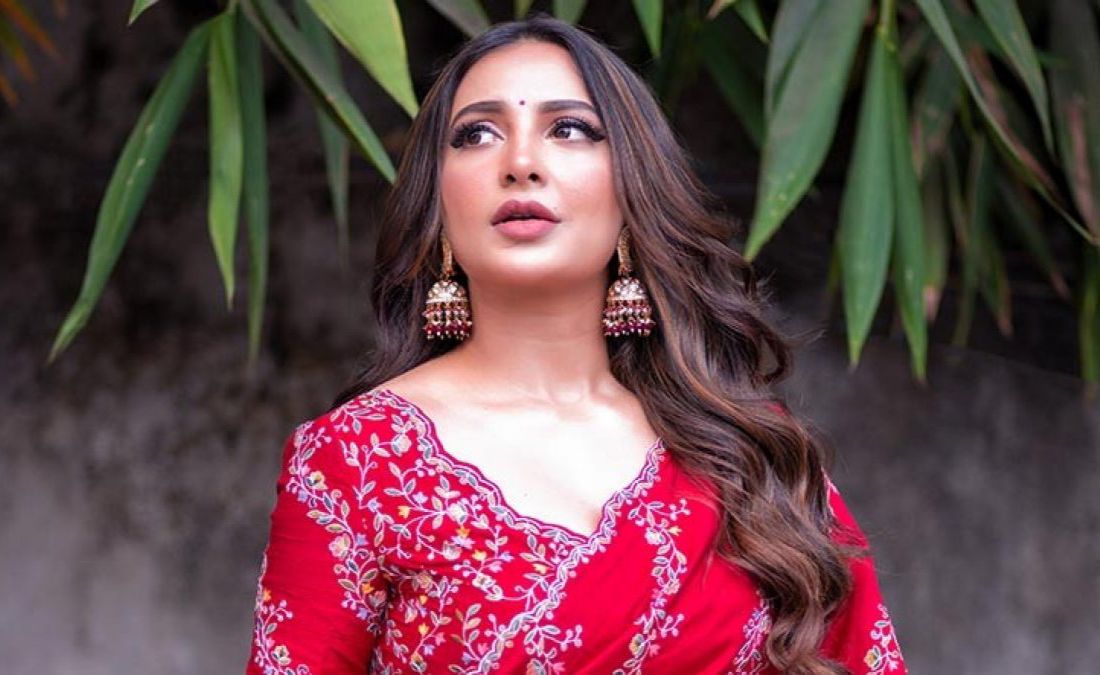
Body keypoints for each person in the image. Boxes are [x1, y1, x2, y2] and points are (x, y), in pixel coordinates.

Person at [246, 13, 907, 675]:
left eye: (568, 129)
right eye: (477, 134)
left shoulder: (748, 450)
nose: (521, 164)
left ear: (631, 190)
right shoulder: (356, 459)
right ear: (438, 205)